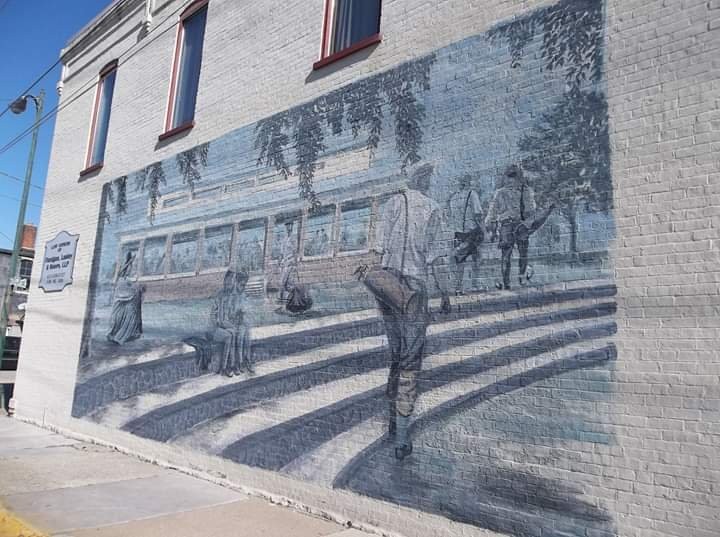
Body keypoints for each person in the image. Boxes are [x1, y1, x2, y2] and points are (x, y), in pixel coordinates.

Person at [372, 163, 450, 460]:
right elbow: (437, 259)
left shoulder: (393, 203)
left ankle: (393, 419)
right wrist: (445, 294)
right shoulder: (432, 209)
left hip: (389, 286)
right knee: (410, 361)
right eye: (429, 177)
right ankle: (402, 437)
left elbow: (378, 250)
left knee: (396, 355)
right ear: (424, 179)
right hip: (414, 289)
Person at [485, 164, 536, 290]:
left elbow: (492, 212)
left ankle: (509, 282)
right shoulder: (525, 191)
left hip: (509, 225)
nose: (510, 180)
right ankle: (520, 279)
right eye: (510, 177)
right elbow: (531, 210)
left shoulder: (501, 193)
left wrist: (490, 225)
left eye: (511, 177)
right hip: (518, 225)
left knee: (507, 255)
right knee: (520, 253)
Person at [446, 173, 484, 295]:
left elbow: (450, 217)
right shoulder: (472, 194)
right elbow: (478, 214)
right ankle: (474, 285)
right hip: (472, 231)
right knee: (477, 258)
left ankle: (458, 287)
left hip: (458, 233)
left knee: (460, 260)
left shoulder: (453, 198)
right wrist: (484, 230)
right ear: (467, 182)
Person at [212, 270, 253, 376]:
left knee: (244, 331)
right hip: (217, 328)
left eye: (231, 283)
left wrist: (239, 318)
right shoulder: (220, 296)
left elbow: (232, 314)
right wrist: (228, 325)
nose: (228, 285)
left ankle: (241, 363)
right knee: (233, 334)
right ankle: (228, 366)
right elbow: (218, 318)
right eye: (227, 282)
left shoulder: (232, 296)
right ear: (224, 281)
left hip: (228, 325)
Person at [107, 252, 144, 345]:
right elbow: (121, 275)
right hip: (123, 296)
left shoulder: (131, 270)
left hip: (129, 298)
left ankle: (126, 334)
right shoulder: (122, 274)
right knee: (119, 317)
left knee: (130, 315)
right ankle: (116, 334)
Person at [278, 221, 298, 302]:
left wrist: (295, 263)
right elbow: (281, 252)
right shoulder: (284, 239)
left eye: (290, 226)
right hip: (284, 263)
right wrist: (279, 261)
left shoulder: (293, 238)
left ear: (292, 227)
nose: (288, 228)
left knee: (283, 282)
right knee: (286, 284)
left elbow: (295, 251)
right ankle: (291, 298)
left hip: (290, 262)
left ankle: (282, 299)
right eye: (287, 226)